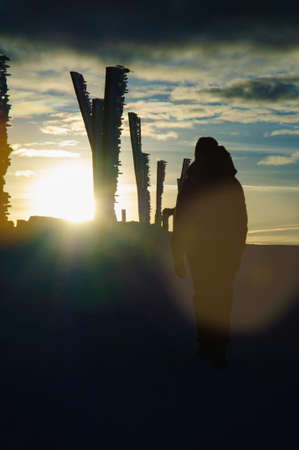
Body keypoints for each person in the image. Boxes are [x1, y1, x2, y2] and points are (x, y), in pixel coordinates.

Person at [171, 137, 247, 368]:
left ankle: (214, 347)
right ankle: (210, 346)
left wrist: (178, 255)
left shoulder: (198, 183)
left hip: (217, 252)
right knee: (211, 297)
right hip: (208, 252)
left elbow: (239, 222)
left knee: (213, 297)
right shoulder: (204, 182)